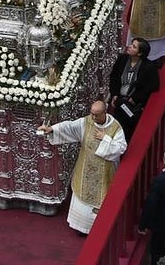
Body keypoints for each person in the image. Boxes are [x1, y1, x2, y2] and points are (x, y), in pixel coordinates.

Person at [38, 100, 128, 233]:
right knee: (82, 198)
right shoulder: (87, 122)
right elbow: (70, 127)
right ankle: (81, 227)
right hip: (85, 168)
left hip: (104, 173)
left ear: (105, 112)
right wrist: (52, 129)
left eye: (96, 115)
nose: (93, 118)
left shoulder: (115, 128)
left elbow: (121, 148)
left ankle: (99, 229)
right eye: (92, 114)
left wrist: (106, 138)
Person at [108, 37, 160, 139]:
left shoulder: (149, 67)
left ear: (140, 53)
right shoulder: (122, 59)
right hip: (119, 100)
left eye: (134, 47)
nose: (130, 47)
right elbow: (114, 78)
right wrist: (114, 95)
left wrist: (135, 98)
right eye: (131, 44)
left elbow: (153, 85)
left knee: (129, 127)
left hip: (133, 104)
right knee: (117, 127)